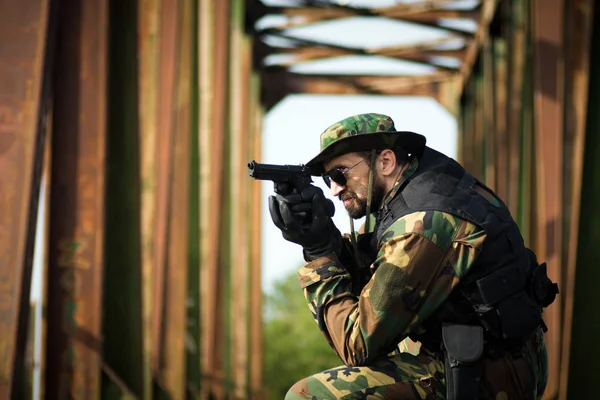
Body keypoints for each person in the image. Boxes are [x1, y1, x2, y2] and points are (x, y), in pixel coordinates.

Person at [268, 113, 558, 400]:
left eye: (339, 174)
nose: (334, 189)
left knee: (307, 395)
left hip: (486, 373)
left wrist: (320, 256)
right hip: (476, 356)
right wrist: (325, 239)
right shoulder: (423, 188)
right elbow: (377, 270)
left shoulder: (423, 223)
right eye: (327, 178)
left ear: (385, 162)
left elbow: (356, 344)